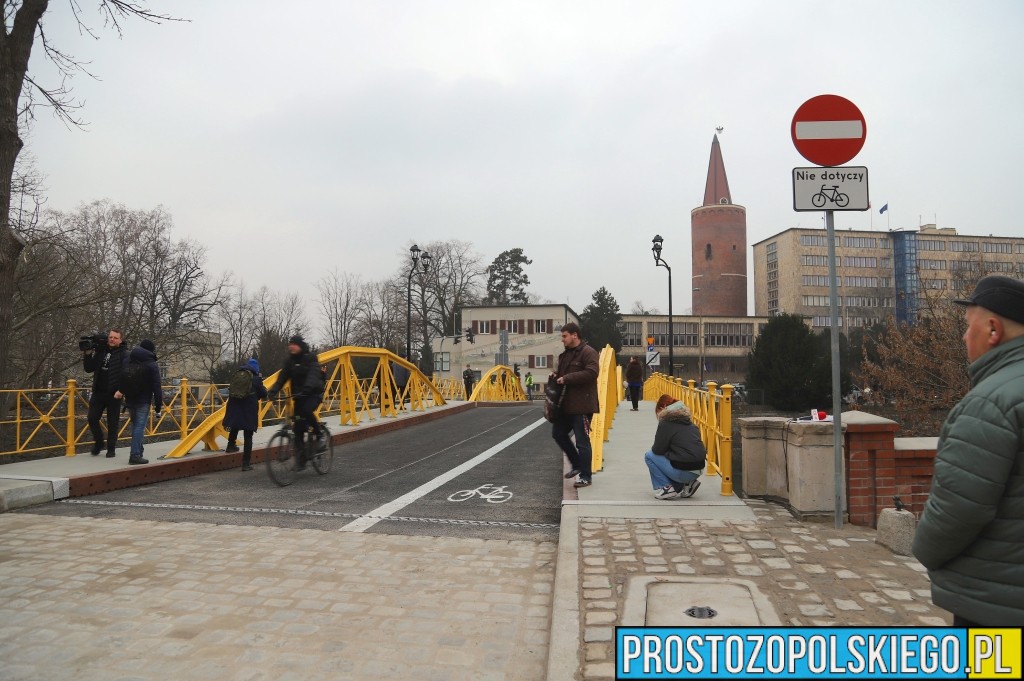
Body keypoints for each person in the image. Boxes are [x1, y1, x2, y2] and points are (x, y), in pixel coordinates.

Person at [912, 275, 1024, 626]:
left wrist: (924, 552)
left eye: (967, 326)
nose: (963, 337)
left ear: (992, 330)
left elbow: (958, 510)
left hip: (999, 601)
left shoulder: (991, 403)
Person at [550, 322, 600, 488]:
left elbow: (592, 373)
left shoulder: (588, 352)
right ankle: (577, 464)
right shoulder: (564, 356)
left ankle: (586, 476)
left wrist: (567, 378)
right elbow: (561, 374)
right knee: (558, 433)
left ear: (574, 335)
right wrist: (555, 375)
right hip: (565, 405)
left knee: (582, 442)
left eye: (564, 336)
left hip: (582, 406)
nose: (562, 340)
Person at [267, 335, 326, 470]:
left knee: (306, 411)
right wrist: (273, 391)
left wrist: (307, 388)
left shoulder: (310, 358)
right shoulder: (290, 362)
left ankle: (320, 434)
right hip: (298, 396)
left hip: (313, 394)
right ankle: (302, 460)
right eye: (290, 344)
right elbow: (282, 378)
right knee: (298, 427)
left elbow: (313, 374)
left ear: (300, 346)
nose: (291, 346)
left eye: (294, 344)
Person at [644, 394, 706, 500]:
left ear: (663, 407)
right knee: (675, 456)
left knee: (649, 455)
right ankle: (687, 484)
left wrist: (667, 452)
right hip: (698, 469)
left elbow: (657, 450)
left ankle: (665, 489)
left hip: (683, 471)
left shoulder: (666, 423)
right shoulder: (690, 423)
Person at [82, 329, 128, 457]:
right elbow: (89, 368)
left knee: (112, 422)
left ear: (120, 340)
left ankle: (111, 449)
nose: (112, 339)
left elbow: (126, 374)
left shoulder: (124, 354)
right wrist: (88, 354)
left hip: (114, 393)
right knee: (92, 418)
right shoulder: (101, 351)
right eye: (110, 337)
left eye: (115, 338)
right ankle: (99, 442)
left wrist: (121, 390)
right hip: (98, 392)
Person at [122, 339, 164, 465]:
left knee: (135, 426)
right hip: (143, 400)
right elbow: (157, 386)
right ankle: (135, 455)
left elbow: (122, 376)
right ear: (151, 350)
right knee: (139, 427)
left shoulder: (128, 359)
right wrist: (158, 405)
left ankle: (139, 452)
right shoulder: (151, 363)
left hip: (130, 398)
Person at [224, 358, 268, 471]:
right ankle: (246, 463)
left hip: (234, 406)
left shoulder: (238, 374)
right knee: (248, 435)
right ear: (256, 368)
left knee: (235, 425)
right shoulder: (256, 379)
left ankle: (230, 446)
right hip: (248, 409)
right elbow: (263, 393)